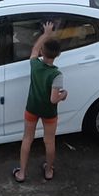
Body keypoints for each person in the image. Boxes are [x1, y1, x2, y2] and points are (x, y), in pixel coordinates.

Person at [14, 20, 71, 184]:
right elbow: (53, 99)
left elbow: (34, 49)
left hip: (31, 108)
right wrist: (64, 94)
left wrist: (45, 34)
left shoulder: (35, 65)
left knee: (27, 139)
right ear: (58, 55)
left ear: (42, 52)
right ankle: (48, 171)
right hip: (49, 113)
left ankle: (22, 173)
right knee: (49, 141)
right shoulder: (57, 74)